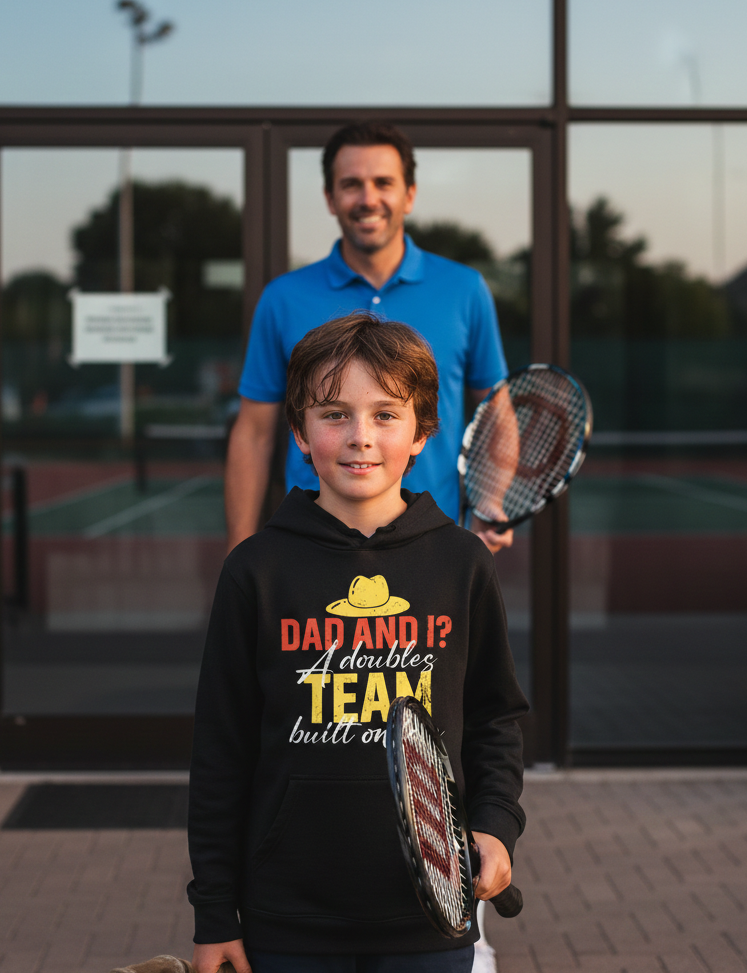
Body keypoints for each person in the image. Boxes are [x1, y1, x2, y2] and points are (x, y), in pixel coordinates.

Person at [188, 313, 527, 973]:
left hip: (430, 920)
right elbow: (219, 753)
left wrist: (494, 826)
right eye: (334, 414)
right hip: (286, 921)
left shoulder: (461, 564)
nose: (360, 438)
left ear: (423, 430)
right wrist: (214, 912)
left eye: (385, 415)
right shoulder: (256, 571)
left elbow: (497, 719)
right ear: (299, 432)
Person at [226, 121, 514, 555]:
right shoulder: (282, 298)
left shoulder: (465, 289)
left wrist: (491, 502)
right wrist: (240, 547)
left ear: (409, 194)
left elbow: (498, 412)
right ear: (330, 198)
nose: (368, 199)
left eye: (383, 183)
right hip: (310, 545)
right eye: (351, 185)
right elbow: (254, 433)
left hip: (433, 543)